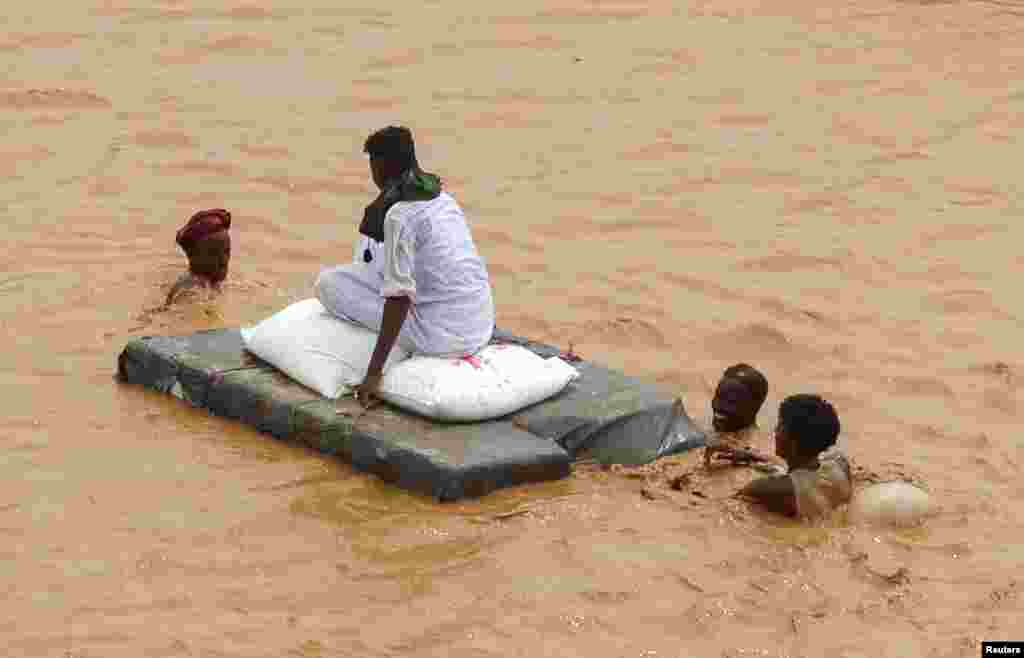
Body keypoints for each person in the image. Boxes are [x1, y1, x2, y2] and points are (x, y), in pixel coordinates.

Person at [315, 126, 495, 408]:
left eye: (372, 165)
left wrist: (373, 373)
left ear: (381, 166)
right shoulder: (442, 199)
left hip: (441, 337)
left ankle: (398, 347)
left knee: (328, 285)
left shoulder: (398, 215)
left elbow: (398, 298)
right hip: (480, 322)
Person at [737, 394, 852, 520]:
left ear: (792, 441)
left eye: (780, 426)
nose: (775, 431)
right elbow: (806, 474)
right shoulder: (840, 464)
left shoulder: (767, 488)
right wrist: (756, 456)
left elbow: (730, 504)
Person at [703, 363, 769, 468]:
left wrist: (751, 456)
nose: (720, 406)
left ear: (753, 408)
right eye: (719, 396)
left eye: (731, 401)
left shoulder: (762, 446)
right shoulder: (700, 435)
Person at [165, 208, 232, 307]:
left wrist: (166, 304)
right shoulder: (219, 226)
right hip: (214, 275)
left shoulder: (187, 281)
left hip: (201, 265)